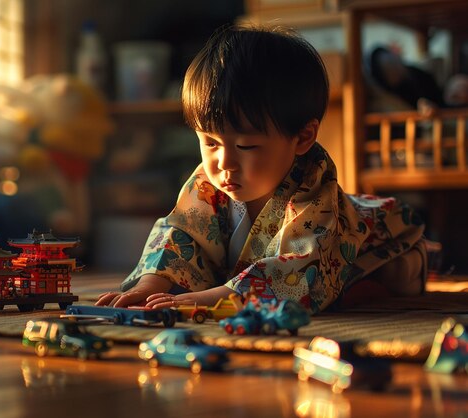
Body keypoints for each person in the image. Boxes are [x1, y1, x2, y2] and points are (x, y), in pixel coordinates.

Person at [96, 24, 427, 314]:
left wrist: (209, 299)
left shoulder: (313, 188)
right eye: (210, 142)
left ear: (302, 137)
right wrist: (149, 286)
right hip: (252, 270)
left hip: (377, 236)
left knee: (398, 274)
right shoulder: (210, 179)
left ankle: (421, 260)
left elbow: (300, 268)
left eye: (246, 146)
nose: (223, 162)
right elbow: (180, 235)